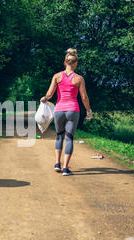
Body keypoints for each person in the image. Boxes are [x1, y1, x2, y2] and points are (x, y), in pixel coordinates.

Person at [40, 48, 92, 176]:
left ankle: (57, 163)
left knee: (59, 136)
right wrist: (88, 111)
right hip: (73, 110)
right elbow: (84, 97)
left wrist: (45, 98)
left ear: (65, 62)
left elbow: (50, 94)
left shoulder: (57, 76)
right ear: (76, 63)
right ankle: (65, 168)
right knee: (69, 138)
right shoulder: (79, 78)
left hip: (59, 110)